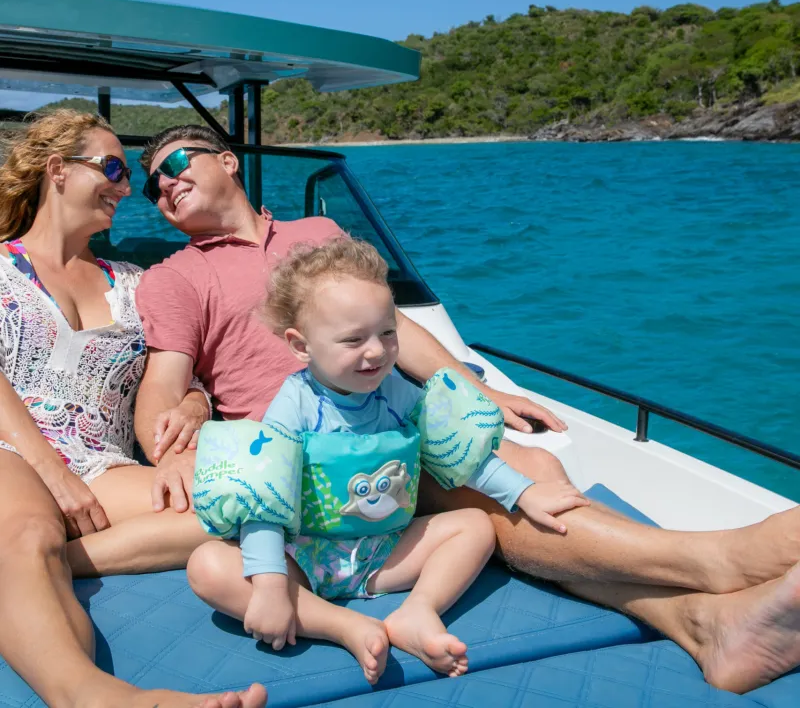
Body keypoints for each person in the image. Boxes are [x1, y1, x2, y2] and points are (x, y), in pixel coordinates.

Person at [135, 123, 800, 694]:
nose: (163, 183)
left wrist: (481, 396)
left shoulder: (319, 233)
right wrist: (175, 440)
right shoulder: (174, 277)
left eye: (174, 163)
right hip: (313, 470)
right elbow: (162, 388)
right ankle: (716, 564)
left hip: (393, 429)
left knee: (533, 467)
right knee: (509, 492)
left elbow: (397, 327)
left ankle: (703, 622)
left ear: (228, 160)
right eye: (150, 184)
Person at [187, 236, 589, 683]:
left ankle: (418, 611)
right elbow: (264, 498)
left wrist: (524, 493)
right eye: (353, 339)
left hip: (385, 553)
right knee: (208, 566)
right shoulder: (294, 405)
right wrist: (268, 586)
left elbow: (458, 451)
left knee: (475, 525)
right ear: (301, 346)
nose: (377, 351)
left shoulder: (395, 391)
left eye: (387, 332)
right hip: (302, 556)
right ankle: (342, 626)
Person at [0, 110, 267, 708]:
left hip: (101, 464)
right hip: (11, 451)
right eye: (114, 170)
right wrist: (52, 475)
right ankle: (97, 696)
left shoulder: (134, 283)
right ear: (57, 170)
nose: (125, 189)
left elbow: (182, 377)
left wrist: (195, 406)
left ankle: (55, 562)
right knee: (28, 531)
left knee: (238, 508)